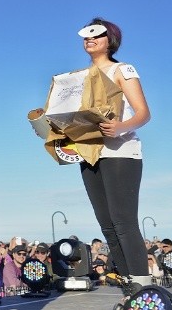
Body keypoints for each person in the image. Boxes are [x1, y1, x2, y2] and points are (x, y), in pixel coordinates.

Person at [34, 17, 152, 304]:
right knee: (107, 225)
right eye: (86, 36)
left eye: (96, 35)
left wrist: (120, 127)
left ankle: (144, 290)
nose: (89, 39)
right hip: (89, 153)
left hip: (120, 152)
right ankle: (129, 287)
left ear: (110, 40)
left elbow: (143, 113)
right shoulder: (78, 77)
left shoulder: (122, 70)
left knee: (124, 221)